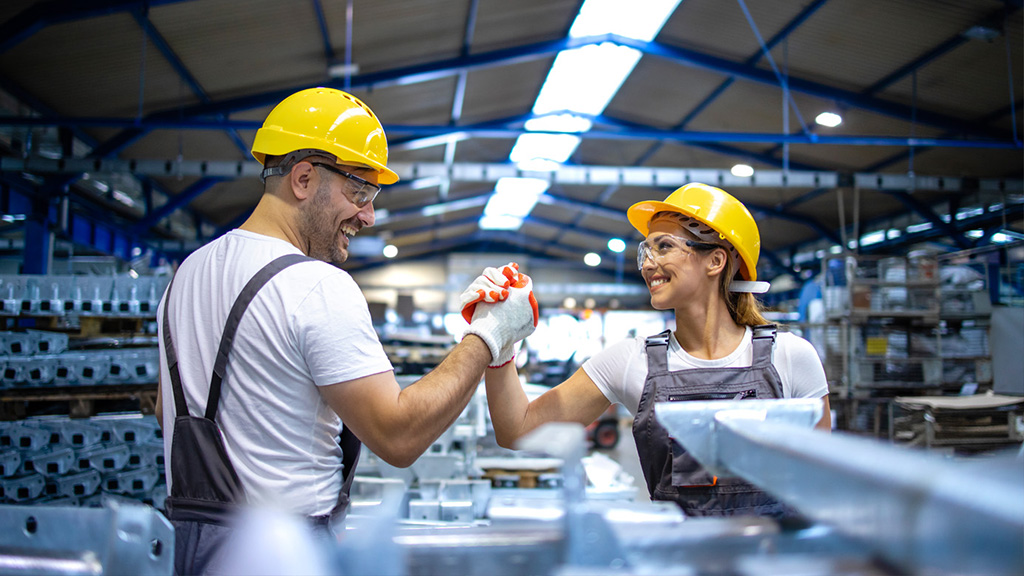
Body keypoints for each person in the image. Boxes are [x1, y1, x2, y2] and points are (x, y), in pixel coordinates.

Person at [154, 87, 537, 575]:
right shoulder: (315, 284)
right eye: (359, 192)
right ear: (304, 177)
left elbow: (171, 413)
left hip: (189, 549)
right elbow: (399, 437)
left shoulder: (186, 276)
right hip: (283, 555)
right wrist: (488, 334)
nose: (368, 215)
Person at [480, 182, 830, 519]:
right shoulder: (630, 362)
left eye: (663, 247)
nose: (647, 264)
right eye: (645, 251)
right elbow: (518, 430)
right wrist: (500, 339)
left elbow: (823, 484)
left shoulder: (790, 357)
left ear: (716, 261)